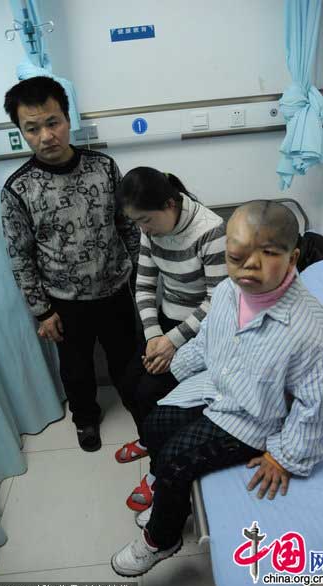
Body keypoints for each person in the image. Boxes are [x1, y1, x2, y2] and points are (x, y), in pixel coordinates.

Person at [111, 200, 323, 577]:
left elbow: (319, 405)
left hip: (257, 416)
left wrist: (283, 457)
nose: (250, 265)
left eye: (268, 253)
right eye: (237, 255)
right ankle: (168, 492)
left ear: (293, 256)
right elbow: (209, 341)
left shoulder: (310, 330)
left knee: (175, 458)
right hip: (220, 386)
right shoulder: (227, 293)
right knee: (156, 423)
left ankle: (162, 538)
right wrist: (177, 368)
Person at [1, 76, 140, 452]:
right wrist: (42, 311)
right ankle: (85, 420)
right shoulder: (18, 188)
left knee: (128, 358)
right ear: (21, 133)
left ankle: (139, 406)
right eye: (32, 128)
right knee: (76, 370)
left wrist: (138, 278)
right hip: (63, 302)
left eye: (53, 122)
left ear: (67, 118)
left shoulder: (104, 168)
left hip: (116, 289)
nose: (46, 135)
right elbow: (20, 255)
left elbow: (127, 225)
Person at [113, 167, 227, 510]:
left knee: (150, 393)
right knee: (126, 383)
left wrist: (173, 341)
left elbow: (217, 301)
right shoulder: (150, 229)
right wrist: (153, 336)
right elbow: (145, 286)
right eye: (136, 222)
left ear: (170, 204)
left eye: (146, 220)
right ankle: (150, 440)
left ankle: (157, 470)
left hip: (201, 329)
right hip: (166, 324)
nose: (142, 229)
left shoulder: (211, 231)